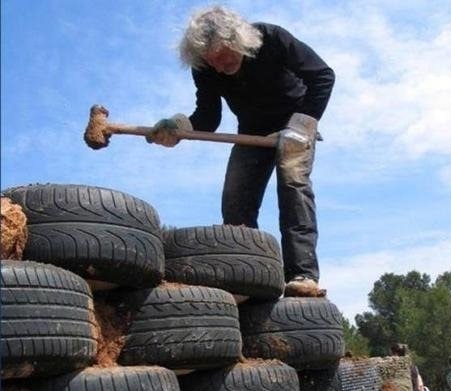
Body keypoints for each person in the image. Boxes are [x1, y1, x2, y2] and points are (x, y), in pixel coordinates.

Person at [87, 4, 335, 283]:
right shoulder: (205, 67)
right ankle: (246, 276)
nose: (219, 66)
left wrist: (302, 126)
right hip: (251, 131)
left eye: (223, 56)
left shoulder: (271, 38)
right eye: (211, 60)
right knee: (235, 199)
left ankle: (302, 276)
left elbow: (322, 77)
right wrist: (178, 128)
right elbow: (208, 117)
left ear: (238, 40)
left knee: (293, 190)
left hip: (295, 123)